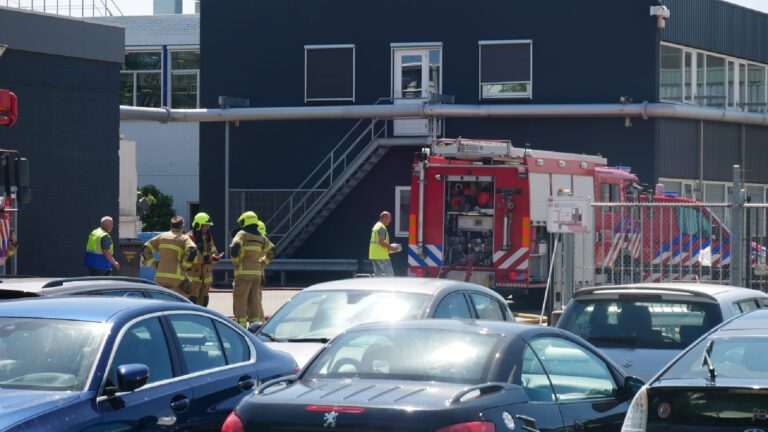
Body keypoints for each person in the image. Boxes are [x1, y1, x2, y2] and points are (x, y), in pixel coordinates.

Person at [230, 211, 274, 328]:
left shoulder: (242, 234)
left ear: (246, 221)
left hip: (243, 274)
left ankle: (240, 328)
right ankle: (255, 328)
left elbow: (234, 247)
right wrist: (262, 263)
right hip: (256, 275)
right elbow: (272, 251)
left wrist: (236, 262)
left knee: (240, 302)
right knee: (254, 303)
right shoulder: (261, 237)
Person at [141, 216, 197, 297]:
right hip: (176, 278)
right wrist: (184, 266)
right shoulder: (184, 238)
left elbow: (145, 248)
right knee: (178, 303)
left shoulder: (162, 236)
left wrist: (155, 264)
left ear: (171, 226)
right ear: (181, 226)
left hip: (160, 277)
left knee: (161, 301)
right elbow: (192, 250)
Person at [187, 212, 223, 306]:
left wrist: (216, 257)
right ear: (198, 225)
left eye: (208, 225)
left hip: (206, 277)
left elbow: (214, 251)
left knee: (204, 301)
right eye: (205, 225)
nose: (207, 227)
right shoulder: (189, 238)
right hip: (194, 277)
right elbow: (190, 258)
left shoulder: (208, 237)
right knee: (192, 301)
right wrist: (209, 258)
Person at [368, 211, 400, 277]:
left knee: (377, 276)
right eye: (389, 218)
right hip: (382, 256)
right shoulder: (381, 228)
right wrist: (392, 248)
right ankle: (390, 287)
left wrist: (389, 247)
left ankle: (376, 287)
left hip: (374, 255)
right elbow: (381, 242)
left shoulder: (376, 226)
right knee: (390, 275)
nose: (390, 220)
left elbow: (378, 242)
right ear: (384, 218)